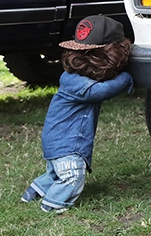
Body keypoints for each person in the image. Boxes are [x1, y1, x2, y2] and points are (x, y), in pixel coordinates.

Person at [21, 15, 133, 213]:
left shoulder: (72, 76)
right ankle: (52, 205)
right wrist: (126, 78)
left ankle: (34, 191)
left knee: (56, 173)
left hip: (57, 141)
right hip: (66, 144)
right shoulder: (73, 81)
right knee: (72, 175)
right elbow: (99, 92)